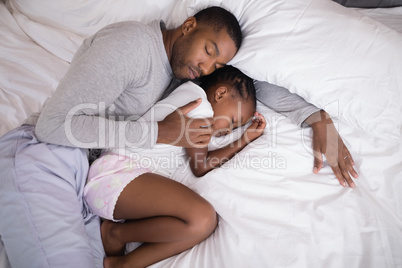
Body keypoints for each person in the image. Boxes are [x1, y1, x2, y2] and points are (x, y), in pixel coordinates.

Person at [0, 5, 357, 268]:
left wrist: (315, 118)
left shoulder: (183, 77)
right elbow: (55, 125)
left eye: (215, 66)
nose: (206, 68)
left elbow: (251, 84)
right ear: (188, 26)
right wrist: (156, 132)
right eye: (208, 51)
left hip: (86, 179)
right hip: (44, 155)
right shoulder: (133, 45)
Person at [84, 65, 265, 268]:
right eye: (232, 121)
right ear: (221, 93)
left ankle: (122, 257)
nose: (229, 131)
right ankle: (116, 236)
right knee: (202, 218)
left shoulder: (188, 92)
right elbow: (201, 165)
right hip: (117, 175)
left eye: (235, 128)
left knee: (202, 222)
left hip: (117, 181)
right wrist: (245, 138)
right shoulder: (200, 107)